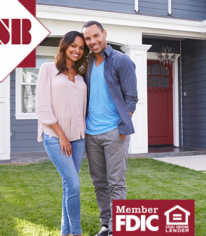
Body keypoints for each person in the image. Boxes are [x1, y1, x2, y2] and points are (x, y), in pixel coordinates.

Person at [82, 21, 138, 236]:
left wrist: (122, 127)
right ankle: (106, 225)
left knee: (116, 183)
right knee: (99, 183)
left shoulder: (121, 61)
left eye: (96, 35)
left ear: (104, 34)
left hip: (114, 131)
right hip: (91, 133)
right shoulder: (86, 63)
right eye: (88, 38)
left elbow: (131, 98)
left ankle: (119, 229)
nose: (92, 41)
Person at [35, 31, 89, 236]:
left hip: (78, 138)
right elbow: (42, 107)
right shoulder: (48, 69)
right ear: (64, 45)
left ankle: (64, 232)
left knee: (69, 187)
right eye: (73, 45)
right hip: (56, 138)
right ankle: (77, 233)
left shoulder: (81, 74)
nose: (77, 50)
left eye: (81, 47)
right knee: (74, 185)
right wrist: (61, 135)